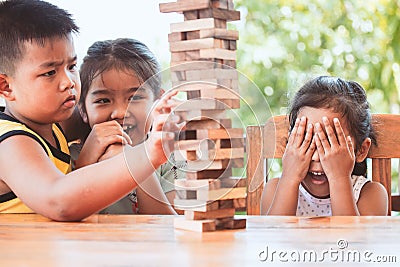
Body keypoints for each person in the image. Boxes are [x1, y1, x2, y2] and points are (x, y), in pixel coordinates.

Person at [0, 0, 178, 221]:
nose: (69, 82)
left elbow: (116, 116)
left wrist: (162, 119)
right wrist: (146, 154)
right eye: (49, 73)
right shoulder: (9, 141)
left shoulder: (50, 120)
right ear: (6, 87)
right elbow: (59, 203)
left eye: (71, 67)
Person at [70, 38, 185, 214]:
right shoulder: (69, 158)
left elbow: (172, 232)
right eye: (103, 100)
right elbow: (68, 223)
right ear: (83, 110)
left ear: (157, 101)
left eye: (134, 98)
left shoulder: (172, 159)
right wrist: (86, 161)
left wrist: (136, 161)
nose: (120, 112)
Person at [261, 76, 388, 216]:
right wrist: (289, 179)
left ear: (361, 150)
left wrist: (338, 178)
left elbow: (350, 238)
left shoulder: (370, 194)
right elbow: (274, 237)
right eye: (306, 140)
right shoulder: (274, 190)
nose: (316, 156)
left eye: (330, 144)